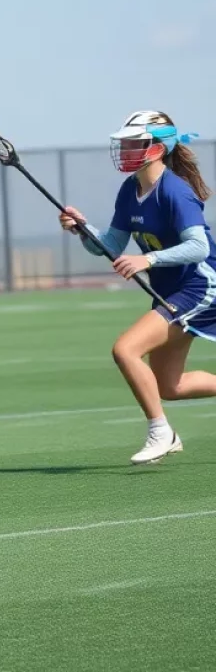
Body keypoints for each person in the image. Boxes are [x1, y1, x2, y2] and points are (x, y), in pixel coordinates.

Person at [60, 110, 216, 464]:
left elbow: (199, 247)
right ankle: (164, 427)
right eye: (126, 143)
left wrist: (147, 261)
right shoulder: (130, 190)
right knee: (169, 386)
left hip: (200, 287)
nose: (127, 148)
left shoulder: (176, 192)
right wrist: (83, 229)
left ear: (158, 149)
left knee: (125, 349)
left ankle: (161, 432)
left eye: (136, 142)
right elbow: (111, 246)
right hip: (170, 290)